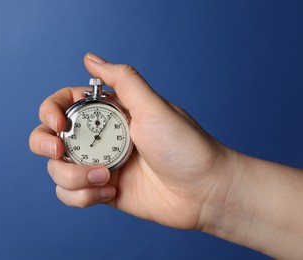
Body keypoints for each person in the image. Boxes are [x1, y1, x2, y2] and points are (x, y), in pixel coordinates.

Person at [29, 52, 303, 259]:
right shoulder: (87, 120)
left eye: (105, 130)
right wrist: (216, 191)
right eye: (94, 132)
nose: (98, 135)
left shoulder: (121, 118)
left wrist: (215, 190)